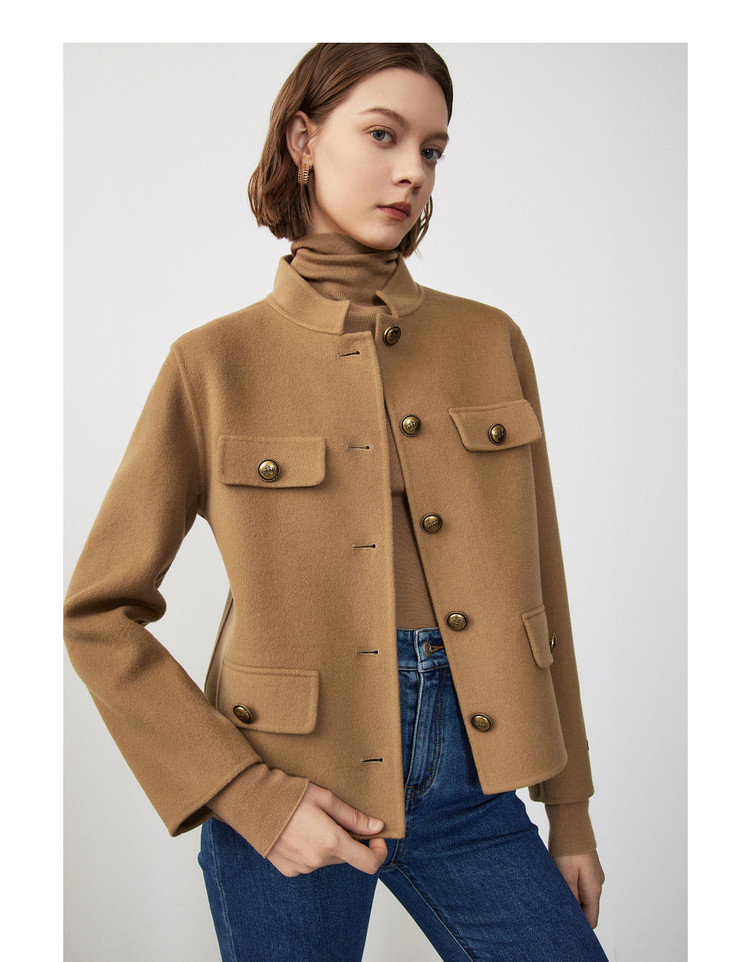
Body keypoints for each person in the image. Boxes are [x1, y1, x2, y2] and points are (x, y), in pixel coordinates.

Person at [64, 43, 608, 961]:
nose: (413, 171)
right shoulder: (213, 363)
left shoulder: (490, 341)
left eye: (432, 149)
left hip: (476, 783)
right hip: (289, 787)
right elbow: (97, 614)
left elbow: (540, 581)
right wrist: (249, 797)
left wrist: (572, 809)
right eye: (383, 135)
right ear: (303, 140)